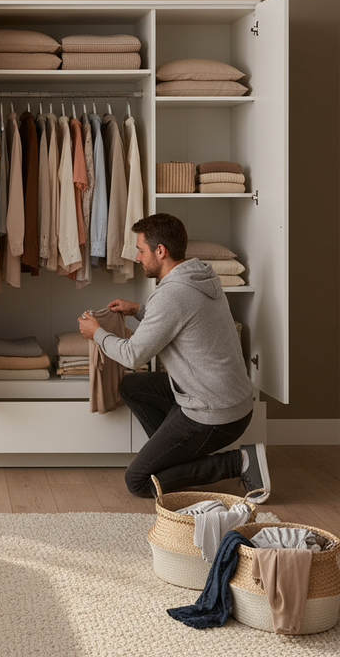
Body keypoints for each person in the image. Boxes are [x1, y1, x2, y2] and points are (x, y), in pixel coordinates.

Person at [76, 213, 271, 502]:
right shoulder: (200, 275)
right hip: (228, 397)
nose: (138, 257)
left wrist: (97, 333)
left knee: (138, 481)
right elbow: (184, 319)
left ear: (160, 251)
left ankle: (239, 462)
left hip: (214, 413)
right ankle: (171, 458)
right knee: (132, 387)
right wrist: (139, 310)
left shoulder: (171, 295)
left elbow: (132, 355)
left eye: (141, 250)